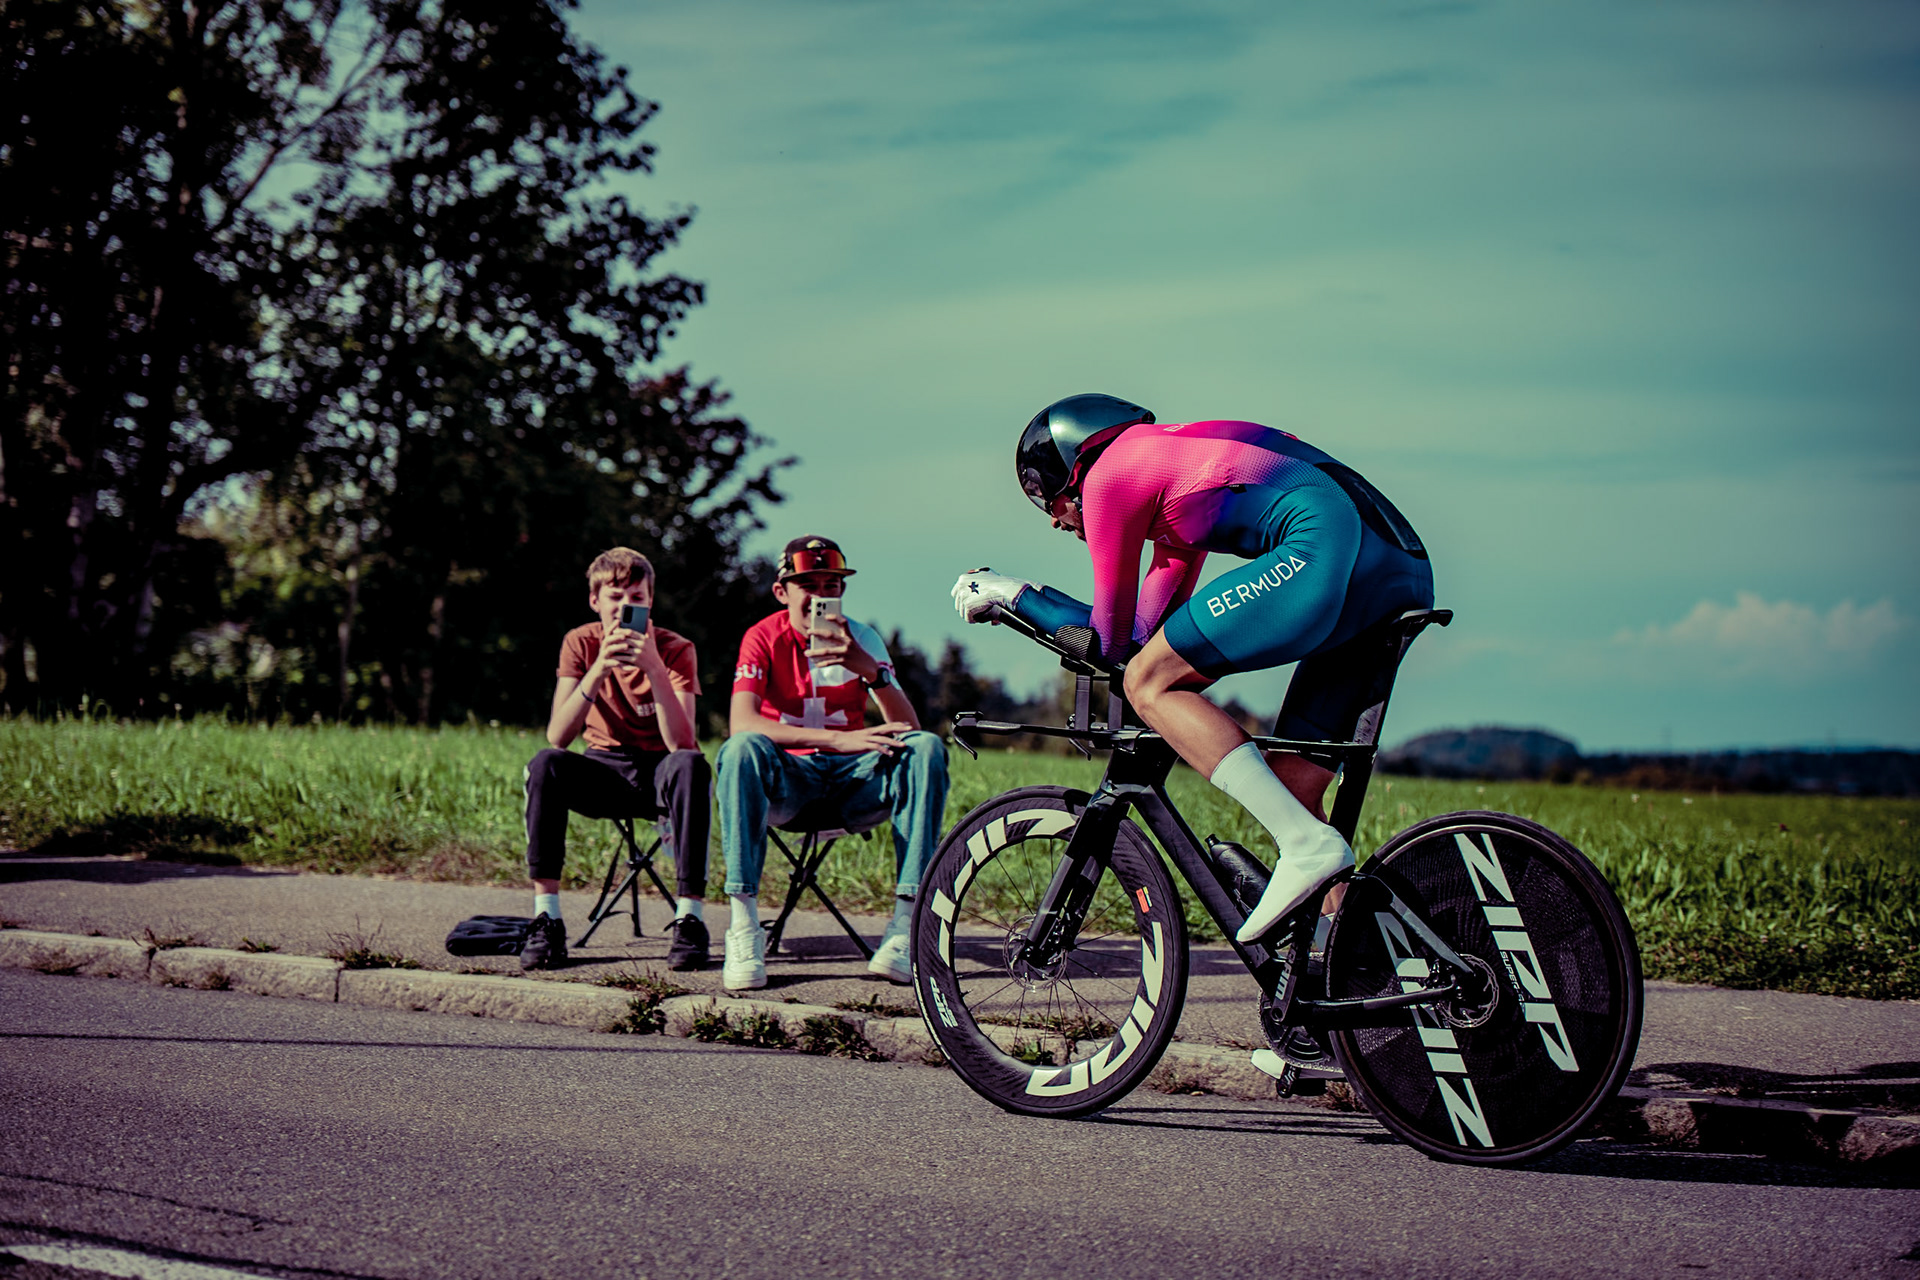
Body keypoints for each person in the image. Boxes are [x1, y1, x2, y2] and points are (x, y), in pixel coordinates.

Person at [952, 393, 1434, 944]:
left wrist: (1014, 594)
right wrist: (1028, 602)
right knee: (1292, 786)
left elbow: (1111, 645)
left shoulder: (1109, 477)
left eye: (1046, 500)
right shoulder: (1172, 490)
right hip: (1394, 567)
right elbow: (1140, 635)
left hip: (1325, 544)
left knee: (1149, 683)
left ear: (1072, 471)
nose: (1054, 521)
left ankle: (1306, 846)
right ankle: (1342, 965)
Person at [716, 536, 949, 991]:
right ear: (782, 591)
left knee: (926, 749)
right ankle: (743, 927)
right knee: (740, 750)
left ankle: (905, 926)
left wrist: (870, 671)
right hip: (789, 781)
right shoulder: (761, 637)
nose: (821, 595)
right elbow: (742, 723)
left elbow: (908, 730)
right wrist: (838, 740)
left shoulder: (862, 639)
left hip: (851, 785)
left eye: (832, 585)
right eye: (808, 584)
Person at [520, 548, 713, 972]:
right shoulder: (580, 642)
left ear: (650, 601)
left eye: (637, 598)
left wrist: (655, 669)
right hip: (604, 768)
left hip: (661, 770)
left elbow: (683, 743)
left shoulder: (676, 648)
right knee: (545, 763)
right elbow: (558, 736)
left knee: (691, 765)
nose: (626, 606)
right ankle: (547, 916)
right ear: (595, 600)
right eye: (615, 597)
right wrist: (599, 670)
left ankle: (690, 918)